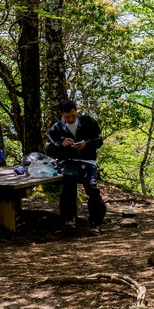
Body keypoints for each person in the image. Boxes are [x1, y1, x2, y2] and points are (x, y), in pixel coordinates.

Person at [46, 99, 106, 232]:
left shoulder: (88, 122)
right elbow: (49, 150)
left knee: (92, 186)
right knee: (69, 180)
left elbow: (99, 141)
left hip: (88, 161)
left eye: (73, 115)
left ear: (76, 111)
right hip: (68, 161)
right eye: (67, 116)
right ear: (61, 114)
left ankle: (96, 222)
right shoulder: (56, 128)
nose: (71, 118)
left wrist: (87, 143)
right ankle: (69, 218)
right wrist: (61, 144)